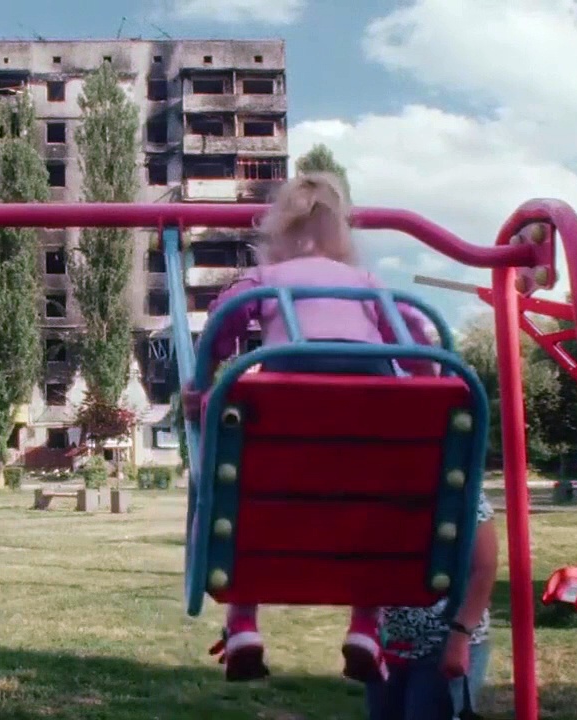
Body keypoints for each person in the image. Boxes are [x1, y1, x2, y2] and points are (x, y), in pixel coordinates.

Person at [202, 172, 441, 683]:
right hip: (369, 427)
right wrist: (428, 388)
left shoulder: (266, 278)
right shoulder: (367, 284)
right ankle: (365, 629)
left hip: (285, 426)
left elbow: (222, 322)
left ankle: (243, 625)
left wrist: (202, 382)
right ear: (343, 233)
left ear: (277, 230)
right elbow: (417, 339)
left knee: (249, 502)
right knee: (375, 513)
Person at [367, 492, 501, 719]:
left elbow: (484, 567)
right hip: (390, 642)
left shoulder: (462, 494)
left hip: (443, 644)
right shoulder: (383, 492)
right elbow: (366, 561)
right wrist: (365, 628)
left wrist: (460, 637)